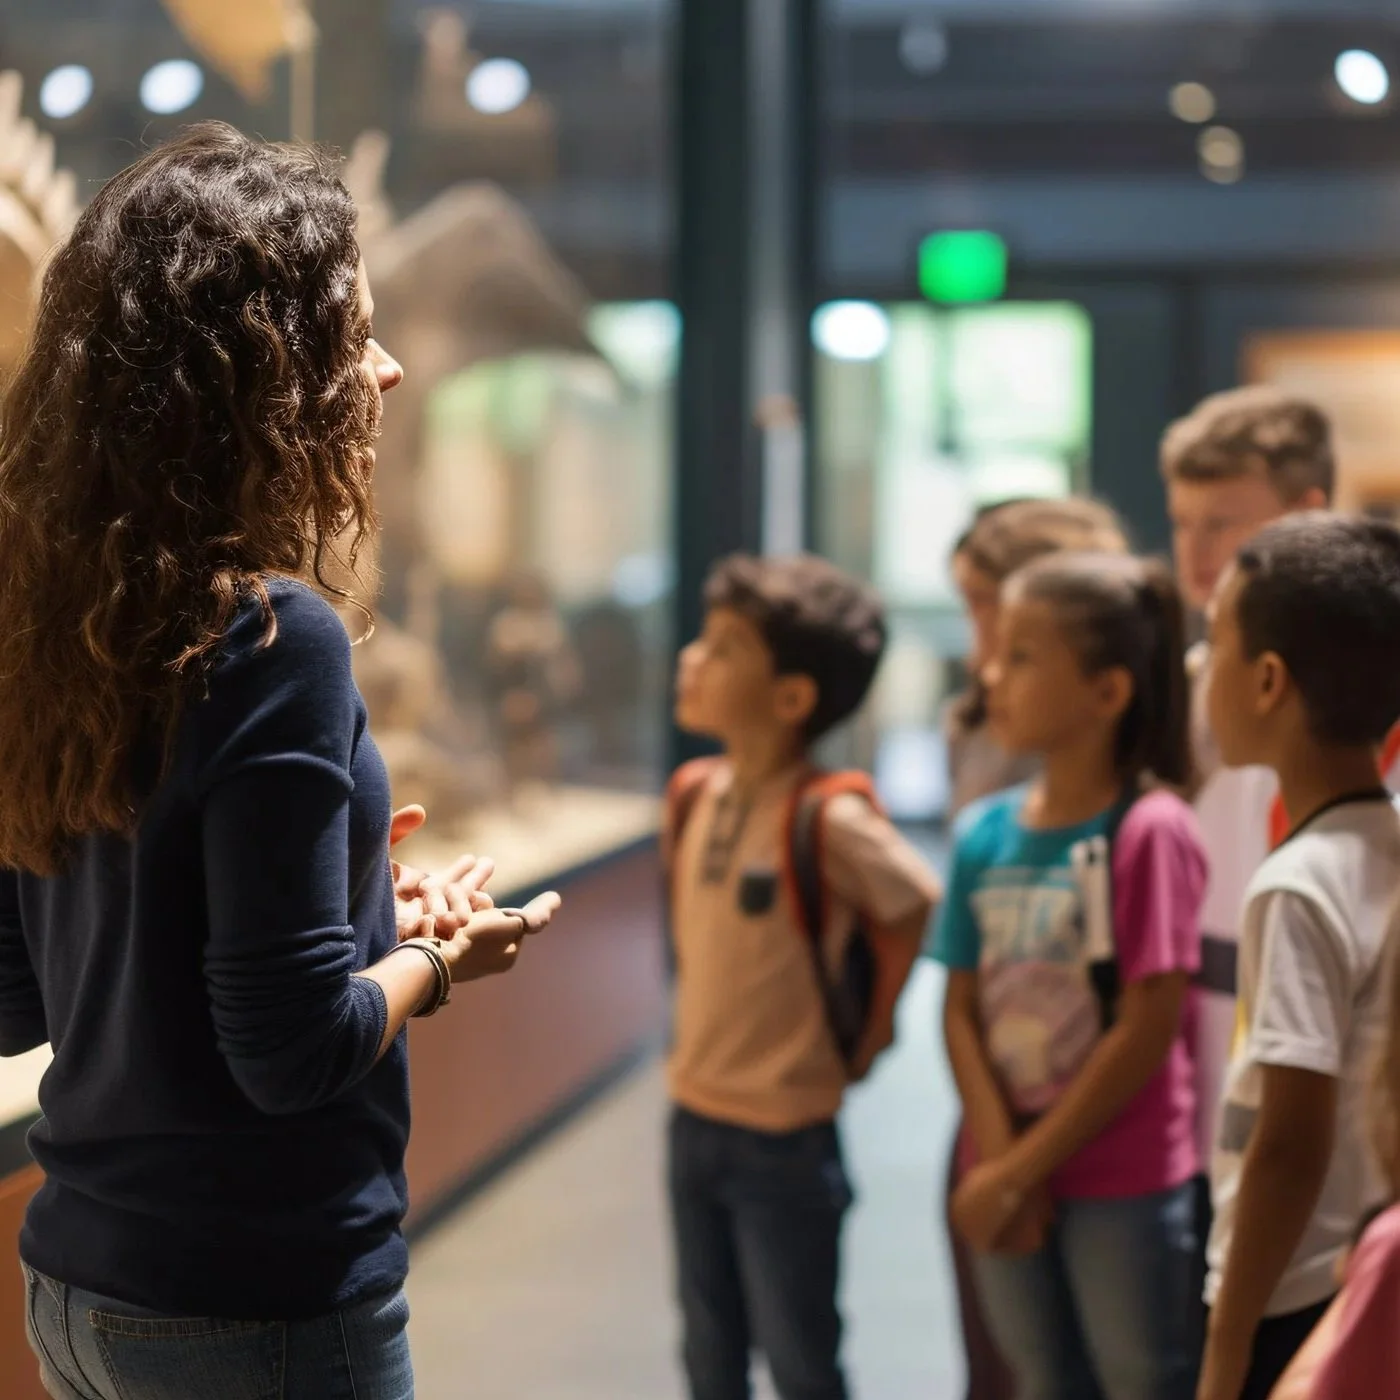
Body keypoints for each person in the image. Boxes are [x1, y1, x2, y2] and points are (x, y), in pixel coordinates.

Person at [0, 124, 560, 1400]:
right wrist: (436, 958)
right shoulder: (271, 636)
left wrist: (357, 903)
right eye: (351, 331)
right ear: (254, 371)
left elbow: (18, 999)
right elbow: (291, 1051)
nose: (387, 366)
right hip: (250, 1306)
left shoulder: (48, 621)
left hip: (79, 1295)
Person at [665, 554, 941, 1400]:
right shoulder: (694, 791)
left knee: (800, 1356)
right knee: (708, 1347)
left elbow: (916, 900)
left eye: (726, 647)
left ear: (791, 697)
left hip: (785, 1133)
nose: (693, 659)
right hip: (694, 1111)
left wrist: (871, 1033)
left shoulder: (828, 814)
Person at [934, 550, 1208, 1400]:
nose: (991, 674)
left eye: (1021, 656)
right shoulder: (983, 833)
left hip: (1121, 1176)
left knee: (1139, 1377)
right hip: (1002, 1161)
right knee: (1039, 1376)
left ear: (1107, 691)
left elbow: (1148, 1024)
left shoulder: (1151, 828)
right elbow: (959, 1006)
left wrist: (1020, 1171)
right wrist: (999, 1160)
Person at [1197, 514, 1400, 1400]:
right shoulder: (1383, 846)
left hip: (1290, 1288)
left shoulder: (1297, 884)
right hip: (1357, 1272)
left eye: (1215, 642)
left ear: (1268, 681)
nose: (1203, 669)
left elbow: (1288, 1143)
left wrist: (1227, 1343)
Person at [944, 495, 1130, 1400]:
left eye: (989, 609)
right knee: (1007, 1353)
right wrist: (995, 1140)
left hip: (1098, 1106)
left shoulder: (1139, 799)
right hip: (996, 1084)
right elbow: (959, 972)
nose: (980, 647)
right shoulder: (973, 730)